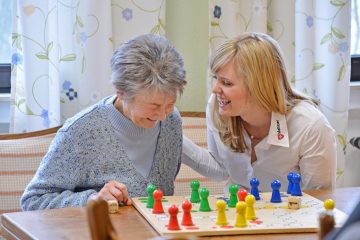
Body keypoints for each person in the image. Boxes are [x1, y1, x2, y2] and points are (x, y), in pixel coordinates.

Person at [21, 34, 187, 210]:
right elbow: (33, 201)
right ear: (121, 92)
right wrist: (93, 199)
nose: (162, 116)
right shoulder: (80, 132)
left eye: (169, 104)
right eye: (154, 106)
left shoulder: (172, 121)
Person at [182, 32, 337, 192]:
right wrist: (171, 135)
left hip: (289, 215)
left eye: (226, 83)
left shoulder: (311, 126)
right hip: (237, 213)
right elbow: (221, 169)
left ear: (258, 86)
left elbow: (319, 198)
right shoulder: (217, 107)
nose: (215, 89)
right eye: (216, 78)